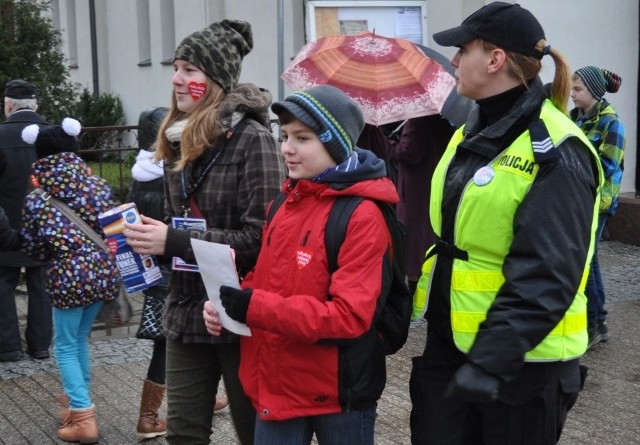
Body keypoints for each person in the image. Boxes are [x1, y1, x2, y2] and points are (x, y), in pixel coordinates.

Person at [409, 3, 604, 444]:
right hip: (453, 352)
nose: (455, 61)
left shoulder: (557, 150)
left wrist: (489, 360)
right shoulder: (470, 131)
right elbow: (454, 240)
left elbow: (548, 272)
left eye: (463, 50)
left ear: (495, 59)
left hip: (519, 370)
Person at [203, 84, 400, 445]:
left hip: (338, 394)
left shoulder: (361, 215)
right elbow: (267, 282)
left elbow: (350, 317)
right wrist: (230, 304)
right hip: (279, 384)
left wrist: (254, 307)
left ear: (335, 146)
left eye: (303, 138)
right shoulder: (285, 201)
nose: (287, 149)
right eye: (286, 135)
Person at [122, 20, 286, 445]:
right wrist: (144, 245)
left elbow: (262, 240)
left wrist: (173, 240)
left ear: (214, 80)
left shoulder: (253, 140)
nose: (177, 78)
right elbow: (177, 233)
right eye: (176, 67)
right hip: (186, 311)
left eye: (190, 70)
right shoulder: (176, 141)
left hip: (238, 312)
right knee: (184, 435)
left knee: (255, 433)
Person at [130, 107, 229, 439]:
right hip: (177, 264)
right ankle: (149, 416)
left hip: (154, 268)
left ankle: (199, 398)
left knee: (174, 340)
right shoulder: (172, 171)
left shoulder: (138, 174)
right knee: (171, 341)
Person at [20, 118, 120, 443]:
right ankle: (80, 406)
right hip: (103, 276)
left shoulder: (37, 200)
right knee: (78, 340)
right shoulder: (100, 187)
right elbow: (116, 231)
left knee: (63, 346)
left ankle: (83, 417)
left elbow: (35, 250)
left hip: (66, 281)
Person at [570, 66, 625, 348]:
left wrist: (572, 171)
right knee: (587, 259)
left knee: (587, 260)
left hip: (598, 202)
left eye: (578, 89)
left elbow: (606, 167)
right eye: (572, 89)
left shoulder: (611, 123)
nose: (572, 94)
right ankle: (598, 320)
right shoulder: (574, 118)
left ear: (594, 91)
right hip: (578, 198)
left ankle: (594, 323)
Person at [0, 79, 52, 362]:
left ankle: (8, 347)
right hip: (43, 224)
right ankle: (40, 345)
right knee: (41, 283)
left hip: (4, 225)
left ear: (8, 106)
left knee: (3, 283)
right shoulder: (53, 135)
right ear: (36, 105)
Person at [386, 115, 454, 295]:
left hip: (414, 190)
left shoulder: (416, 121)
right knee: (428, 233)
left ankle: (414, 287)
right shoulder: (443, 120)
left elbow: (409, 153)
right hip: (434, 182)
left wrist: (388, 145)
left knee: (413, 238)